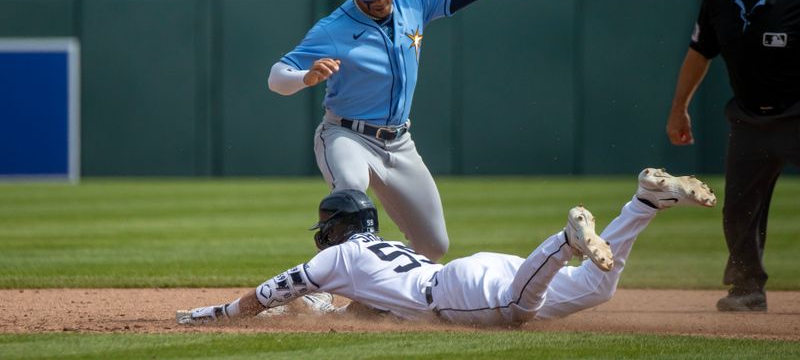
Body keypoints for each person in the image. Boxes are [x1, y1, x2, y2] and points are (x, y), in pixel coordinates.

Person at [176, 168, 716, 326]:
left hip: (458, 292)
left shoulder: (334, 258)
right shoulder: (383, 250)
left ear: (335, 228)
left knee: (516, 310)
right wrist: (333, 314)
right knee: (597, 290)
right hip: (470, 271)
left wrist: (211, 314)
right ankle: (643, 204)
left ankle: (563, 241)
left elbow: (271, 292)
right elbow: (371, 308)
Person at [267, 0, 500, 262]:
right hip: (347, 136)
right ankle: (320, 290)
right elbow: (276, 78)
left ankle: (376, 297)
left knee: (434, 246)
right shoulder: (332, 29)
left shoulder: (415, 1)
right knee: (351, 201)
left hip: (399, 142)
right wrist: (305, 76)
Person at [666, 0, 800, 312]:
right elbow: (699, 53)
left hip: (796, 115)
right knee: (739, 208)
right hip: (748, 119)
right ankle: (747, 288)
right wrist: (679, 109)